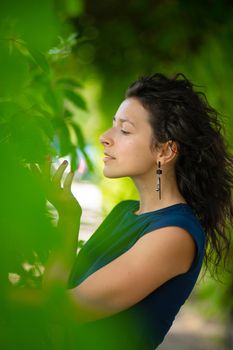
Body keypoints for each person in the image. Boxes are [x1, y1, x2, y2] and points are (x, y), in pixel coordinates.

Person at [38, 73, 233, 349]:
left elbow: (59, 311)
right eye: (112, 126)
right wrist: (69, 217)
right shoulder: (124, 213)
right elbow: (55, 296)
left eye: (125, 130)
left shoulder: (175, 235)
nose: (105, 138)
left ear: (165, 151)